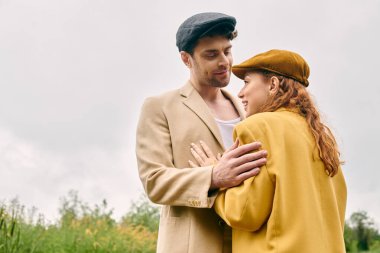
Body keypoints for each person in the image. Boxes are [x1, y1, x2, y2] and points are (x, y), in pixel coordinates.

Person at [190, 49, 347, 252]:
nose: (240, 93)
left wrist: (214, 175)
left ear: (273, 84)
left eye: (247, 82)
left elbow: (245, 212)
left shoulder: (259, 127)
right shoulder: (323, 138)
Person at [135, 12, 268, 253]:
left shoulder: (249, 110)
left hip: (247, 244)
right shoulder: (159, 107)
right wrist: (214, 177)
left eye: (227, 51)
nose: (224, 61)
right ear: (186, 59)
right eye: (211, 55)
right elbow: (154, 181)